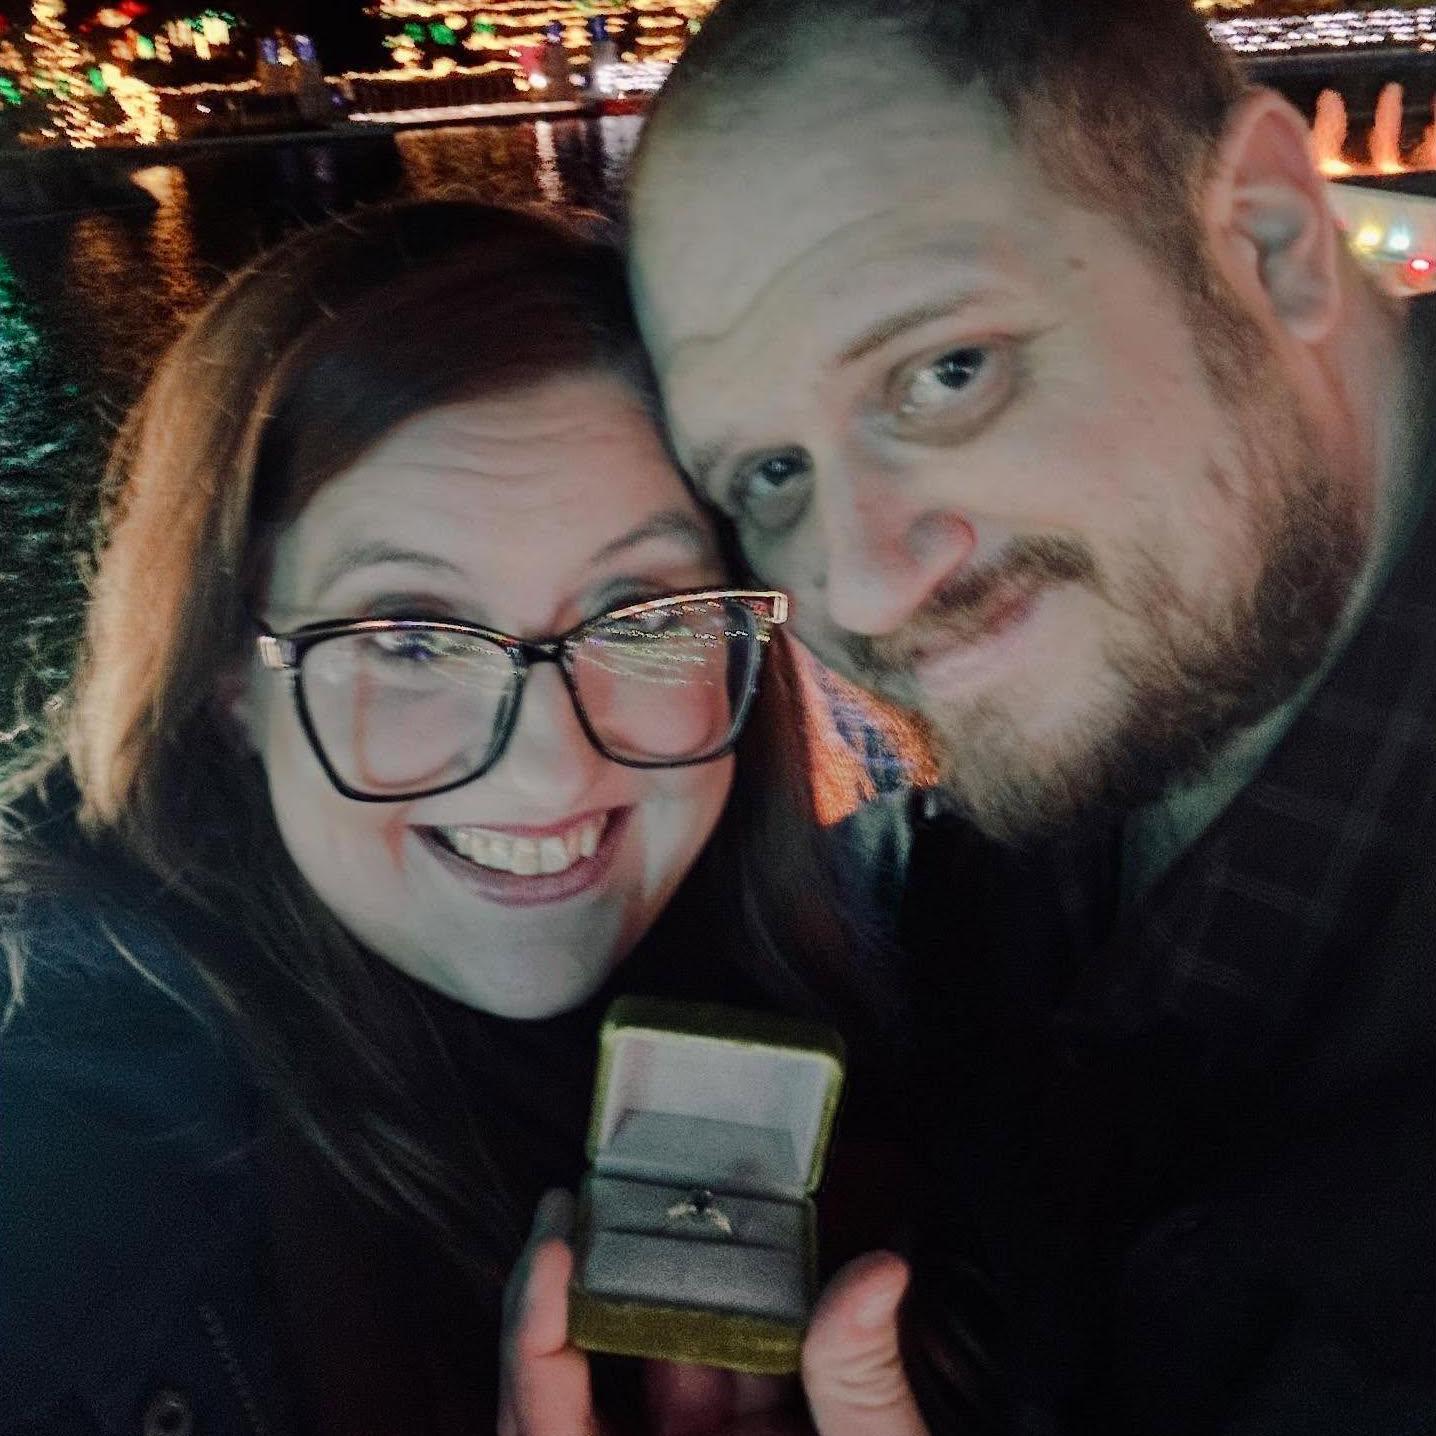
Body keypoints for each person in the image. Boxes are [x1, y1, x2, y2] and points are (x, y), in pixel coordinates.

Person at [617, 0, 1436, 1431]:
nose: (862, 588)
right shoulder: (1045, 784)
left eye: (947, 372)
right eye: (770, 477)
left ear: (1270, 240)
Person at [0, 200, 919, 1435]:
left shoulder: (903, 952)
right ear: (228, 678)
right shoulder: (61, 1134)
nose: (547, 772)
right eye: (411, 636)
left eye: (643, 616)